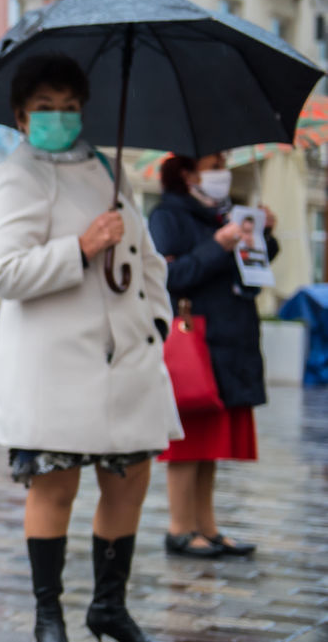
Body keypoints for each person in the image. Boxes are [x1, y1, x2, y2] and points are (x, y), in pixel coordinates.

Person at [0, 55, 181, 642]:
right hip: (54, 365)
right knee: (56, 487)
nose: (59, 119)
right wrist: (82, 245)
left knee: (130, 480)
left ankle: (108, 607)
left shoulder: (107, 167)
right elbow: (7, 273)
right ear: (21, 116)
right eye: (45, 109)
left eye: (70, 108)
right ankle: (49, 616)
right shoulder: (13, 176)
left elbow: (149, 260)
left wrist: (158, 320)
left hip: (126, 360)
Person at [148, 155, 276, 559]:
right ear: (187, 173)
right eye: (213, 163)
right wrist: (218, 245)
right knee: (190, 440)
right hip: (195, 339)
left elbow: (250, 271)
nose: (222, 169)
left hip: (229, 338)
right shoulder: (167, 216)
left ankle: (207, 526)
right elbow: (171, 276)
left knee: (211, 446)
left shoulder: (229, 213)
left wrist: (264, 235)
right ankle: (180, 529)